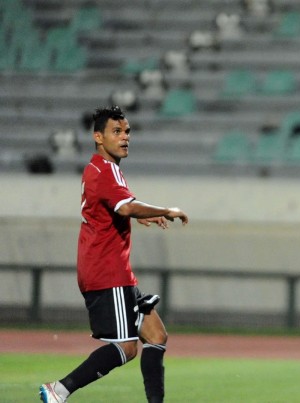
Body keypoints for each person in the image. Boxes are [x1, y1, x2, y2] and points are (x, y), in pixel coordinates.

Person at [40, 106, 189, 403]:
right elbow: (127, 206)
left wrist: (134, 216)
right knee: (127, 347)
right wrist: (165, 210)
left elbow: (117, 208)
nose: (124, 138)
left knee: (156, 336)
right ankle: (60, 390)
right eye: (116, 132)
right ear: (98, 136)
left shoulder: (100, 168)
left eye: (127, 131)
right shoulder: (105, 171)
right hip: (107, 272)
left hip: (111, 269)